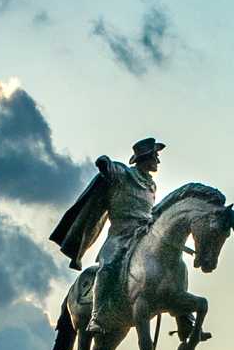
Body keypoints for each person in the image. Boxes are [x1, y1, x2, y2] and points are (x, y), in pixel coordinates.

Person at [49, 137, 164, 331]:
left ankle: (185, 319)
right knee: (108, 267)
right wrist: (105, 163)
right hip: (120, 235)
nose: (158, 161)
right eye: (155, 156)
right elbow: (107, 167)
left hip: (144, 235)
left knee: (169, 261)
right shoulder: (123, 174)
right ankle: (97, 316)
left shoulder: (151, 185)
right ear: (146, 157)